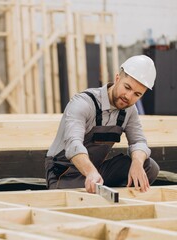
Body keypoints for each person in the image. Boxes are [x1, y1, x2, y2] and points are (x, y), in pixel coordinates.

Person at [45, 55, 160, 194]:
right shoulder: (83, 103)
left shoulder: (129, 110)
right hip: (65, 173)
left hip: (96, 171)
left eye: (137, 94)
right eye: (127, 87)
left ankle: (122, 199)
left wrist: (137, 162)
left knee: (149, 166)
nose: (129, 97)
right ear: (117, 78)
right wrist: (90, 172)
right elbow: (73, 144)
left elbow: (139, 141)